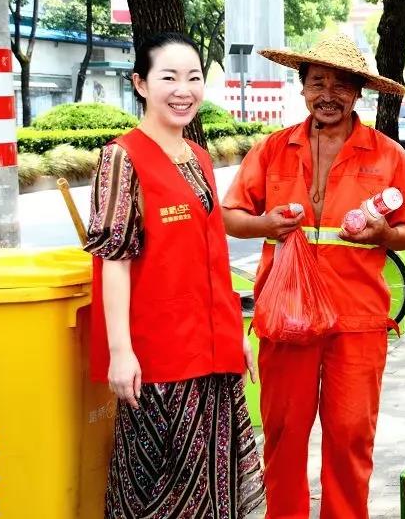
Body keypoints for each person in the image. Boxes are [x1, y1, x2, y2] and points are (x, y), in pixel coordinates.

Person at [221, 34, 405, 519]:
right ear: (302, 88)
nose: (327, 95)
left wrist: (380, 233)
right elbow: (230, 216)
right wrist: (264, 225)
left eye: (340, 85)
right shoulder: (273, 149)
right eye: (317, 83)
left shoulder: (386, 154)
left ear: (358, 93)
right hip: (287, 315)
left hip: (357, 320)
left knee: (351, 435)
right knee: (285, 431)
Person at [85, 32, 264, 518]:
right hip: (159, 358)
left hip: (213, 351)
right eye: (169, 77)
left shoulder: (199, 157)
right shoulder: (121, 157)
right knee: (155, 492)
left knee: (215, 485)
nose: (183, 89)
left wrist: (235, 333)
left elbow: (212, 255)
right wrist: (120, 352)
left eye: (193, 77)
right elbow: (114, 260)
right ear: (141, 84)